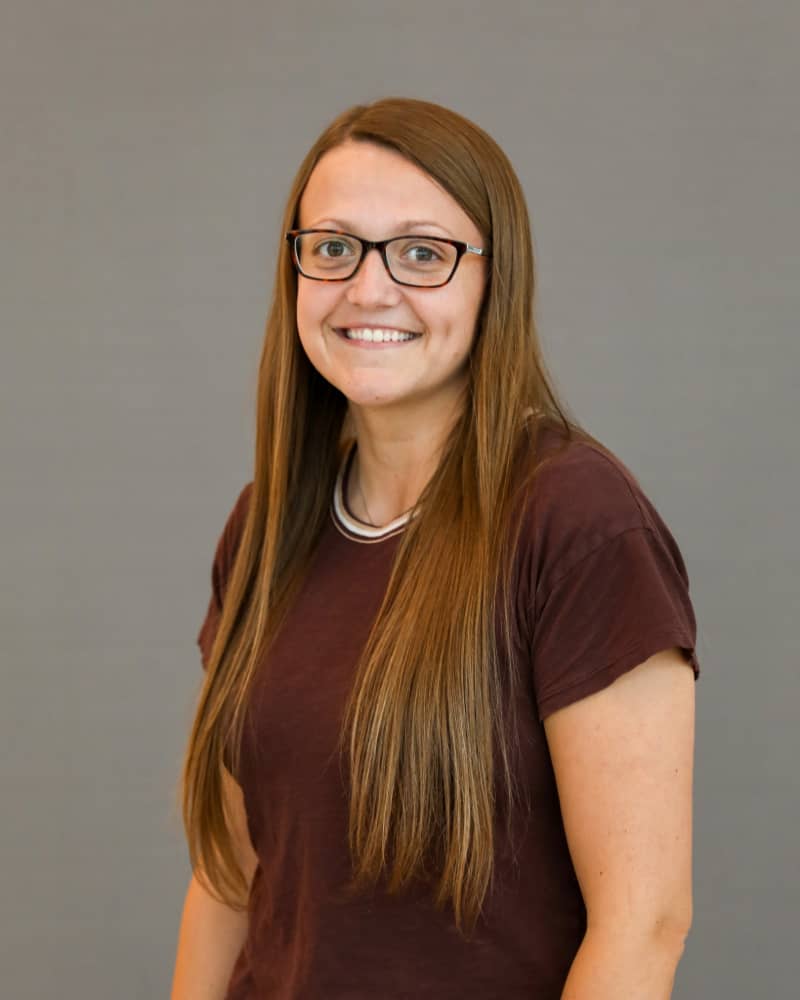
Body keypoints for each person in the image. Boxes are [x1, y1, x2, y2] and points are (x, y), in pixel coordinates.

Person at [171, 97, 700, 1000]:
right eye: (332, 247)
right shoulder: (266, 525)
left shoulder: (577, 525)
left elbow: (643, 924)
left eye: (422, 252)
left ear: (497, 280)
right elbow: (232, 878)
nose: (368, 289)